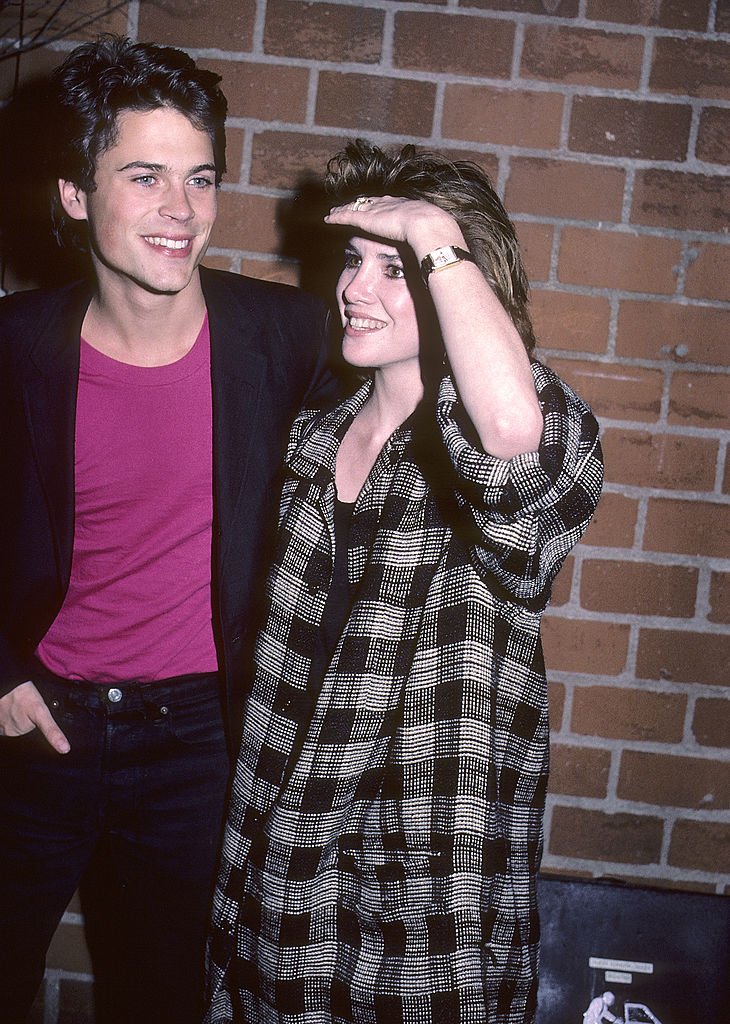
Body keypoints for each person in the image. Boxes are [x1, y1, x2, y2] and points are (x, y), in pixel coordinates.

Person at [204, 140, 603, 1024]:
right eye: (355, 260)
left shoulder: (519, 434)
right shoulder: (313, 436)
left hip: (427, 888)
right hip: (283, 868)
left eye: (398, 267)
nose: (355, 288)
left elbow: (508, 437)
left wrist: (433, 229)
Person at [0, 35, 334, 1024]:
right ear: (74, 195)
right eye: (143, 177)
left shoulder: (289, 336)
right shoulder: (13, 346)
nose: (180, 210)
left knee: (163, 1000)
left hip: (195, 738)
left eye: (200, 178)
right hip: (36, 726)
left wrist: (431, 239)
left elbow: (477, 415)